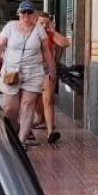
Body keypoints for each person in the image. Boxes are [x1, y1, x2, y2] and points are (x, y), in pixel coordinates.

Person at [0, 1, 50, 143]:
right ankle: (13, 133)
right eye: (23, 12)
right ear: (19, 14)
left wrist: (52, 68)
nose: (26, 15)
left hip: (33, 72)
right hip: (11, 72)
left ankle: (21, 141)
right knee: (10, 109)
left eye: (29, 12)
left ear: (34, 15)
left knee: (27, 105)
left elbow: (46, 51)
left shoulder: (39, 30)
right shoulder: (10, 27)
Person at [34, 9, 71, 144]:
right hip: (31, 70)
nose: (44, 26)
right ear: (35, 21)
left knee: (48, 100)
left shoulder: (49, 34)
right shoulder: (29, 33)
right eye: (41, 23)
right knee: (32, 101)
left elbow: (65, 43)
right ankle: (38, 121)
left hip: (46, 70)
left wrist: (52, 30)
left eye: (47, 23)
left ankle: (50, 132)